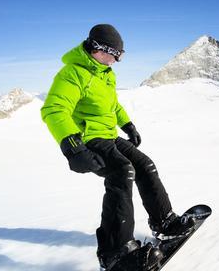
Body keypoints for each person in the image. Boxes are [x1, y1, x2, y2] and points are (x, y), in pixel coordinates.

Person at [41, 24, 194, 271]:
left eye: (121, 55)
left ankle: (164, 222)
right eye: (115, 54)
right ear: (98, 49)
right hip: (89, 139)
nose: (117, 60)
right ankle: (115, 252)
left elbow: (112, 104)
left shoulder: (104, 72)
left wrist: (128, 124)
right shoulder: (72, 73)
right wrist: (73, 147)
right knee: (122, 173)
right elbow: (53, 109)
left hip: (109, 135)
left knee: (144, 165)